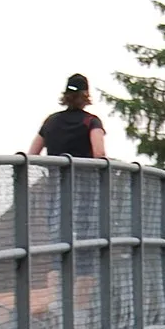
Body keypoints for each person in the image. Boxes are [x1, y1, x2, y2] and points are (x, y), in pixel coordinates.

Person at [28, 73, 108, 316]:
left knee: (59, 246)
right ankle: (79, 312)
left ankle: (58, 304)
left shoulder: (51, 122)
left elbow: (32, 153)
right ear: (86, 96)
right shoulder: (91, 122)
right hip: (85, 192)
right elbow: (99, 153)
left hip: (57, 191)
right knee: (86, 248)